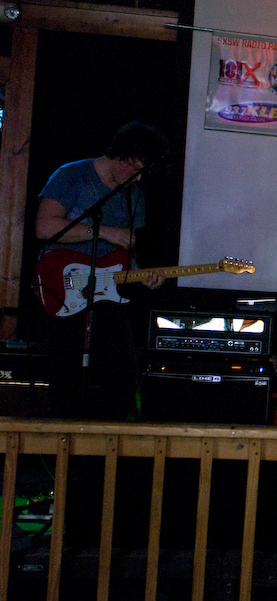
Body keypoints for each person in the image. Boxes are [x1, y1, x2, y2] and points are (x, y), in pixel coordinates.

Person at [35, 120, 169, 421]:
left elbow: (126, 251)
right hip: (62, 285)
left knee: (122, 374)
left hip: (106, 293)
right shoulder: (73, 175)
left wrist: (142, 275)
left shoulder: (134, 195)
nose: (138, 178)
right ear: (122, 156)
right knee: (67, 376)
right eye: (136, 169)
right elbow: (44, 227)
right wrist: (103, 231)